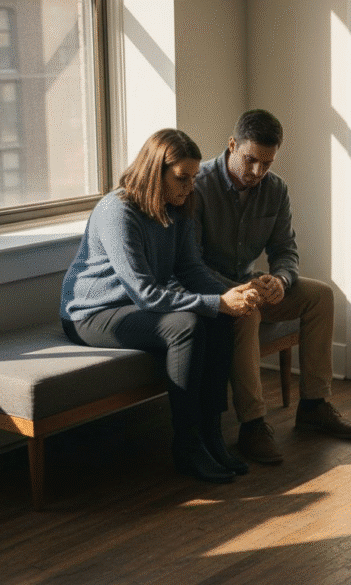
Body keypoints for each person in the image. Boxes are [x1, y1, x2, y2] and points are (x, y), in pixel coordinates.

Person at [60, 128, 260, 484]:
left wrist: (233, 295)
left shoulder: (178, 207)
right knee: (186, 325)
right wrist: (217, 302)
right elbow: (146, 294)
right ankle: (187, 444)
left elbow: (190, 269)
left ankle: (212, 434)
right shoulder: (118, 211)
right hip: (93, 313)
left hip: (136, 307)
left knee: (218, 318)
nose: (189, 187)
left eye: (194, 178)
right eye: (182, 178)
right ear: (156, 171)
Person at [192, 109, 351, 464]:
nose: (258, 171)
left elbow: (285, 250)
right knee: (247, 312)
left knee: (320, 296)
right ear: (232, 145)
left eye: (267, 163)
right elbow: (191, 264)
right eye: (250, 160)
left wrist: (281, 280)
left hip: (253, 284)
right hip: (214, 292)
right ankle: (253, 425)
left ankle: (314, 405)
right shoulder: (199, 187)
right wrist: (239, 291)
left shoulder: (276, 189)